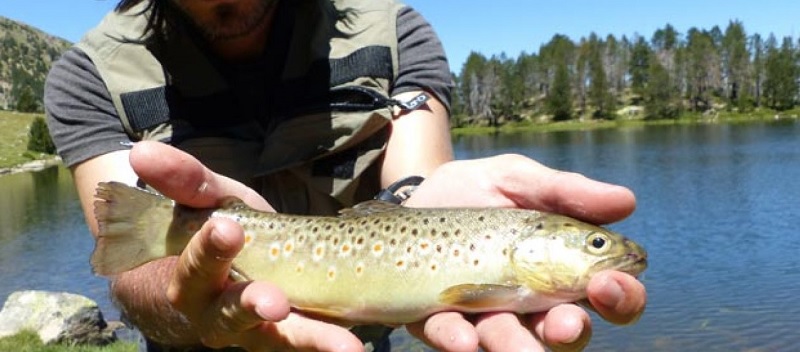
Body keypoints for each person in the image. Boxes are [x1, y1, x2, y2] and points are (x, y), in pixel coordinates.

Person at [44, 0, 647, 351]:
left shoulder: (393, 30)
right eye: (594, 243)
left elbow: (414, 186)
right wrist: (187, 293)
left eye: (594, 244)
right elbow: (129, 262)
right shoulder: (89, 75)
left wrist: (420, 200)